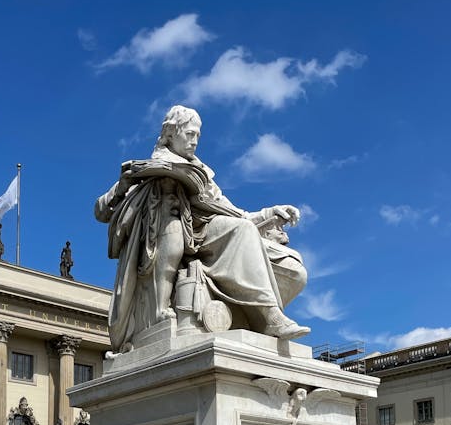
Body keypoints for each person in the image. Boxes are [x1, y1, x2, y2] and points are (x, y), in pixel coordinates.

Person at [95, 105, 309, 352]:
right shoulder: (144, 171)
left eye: (198, 135)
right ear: (170, 134)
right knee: (235, 231)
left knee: (280, 257)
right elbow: (101, 211)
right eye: (189, 134)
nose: (195, 141)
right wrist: (122, 186)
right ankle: (270, 316)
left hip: (205, 230)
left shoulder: (201, 173)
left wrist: (270, 214)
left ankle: (265, 317)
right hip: (168, 235)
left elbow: (236, 212)